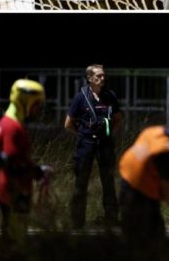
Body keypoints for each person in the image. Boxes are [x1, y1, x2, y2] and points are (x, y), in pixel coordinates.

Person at [118, 119, 169, 256]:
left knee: (131, 238)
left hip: (126, 184)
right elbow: (168, 194)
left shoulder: (153, 132)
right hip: (141, 195)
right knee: (154, 240)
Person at [0, 79, 51, 253]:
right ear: (24, 101)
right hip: (15, 191)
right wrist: (38, 171)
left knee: (13, 237)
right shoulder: (11, 127)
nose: (36, 110)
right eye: (35, 105)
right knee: (15, 243)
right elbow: (12, 162)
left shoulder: (10, 123)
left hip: (12, 188)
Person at [64, 64, 122, 228]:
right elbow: (68, 123)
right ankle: (77, 221)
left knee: (108, 182)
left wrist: (108, 133)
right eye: (98, 76)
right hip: (86, 144)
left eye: (103, 75)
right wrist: (83, 134)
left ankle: (111, 219)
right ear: (89, 78)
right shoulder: (80, 97)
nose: (102, 78)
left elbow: (118, 119)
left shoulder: (110, 96)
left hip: (105, 144)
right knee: (81, 182)